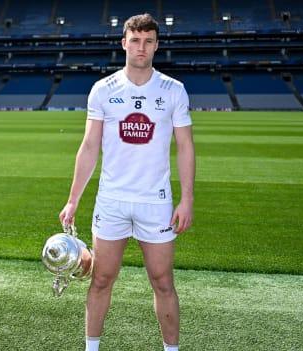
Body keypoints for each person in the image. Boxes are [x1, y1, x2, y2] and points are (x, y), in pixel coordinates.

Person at [58, 13, 195, 351]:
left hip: (156, 203)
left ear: (157, 45)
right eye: (135, 40)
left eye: (148, 41)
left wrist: (187, 198)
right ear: (124, 43)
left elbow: (186, 146)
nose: (141, 47)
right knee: (102, 279)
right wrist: (74, 199)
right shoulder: (103, 90)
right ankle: (91, 348)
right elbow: (89, 146)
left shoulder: (173, 90)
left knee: (163, 282)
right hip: (112, 201)